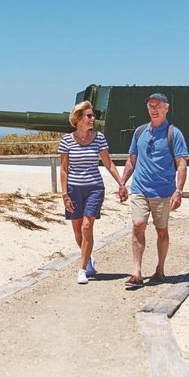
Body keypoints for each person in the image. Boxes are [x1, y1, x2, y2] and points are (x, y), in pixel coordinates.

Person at [120, 92, 188, 289]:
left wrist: (179, 191)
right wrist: (123, 182)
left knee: (161, 230)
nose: (153, 109)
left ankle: (160, 269)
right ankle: (137, 272)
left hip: (163, 192)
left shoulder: (174, 134)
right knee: (137, 224)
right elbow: (132, 159)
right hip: (140, 188)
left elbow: (181, 164)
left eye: (157, 105)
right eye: (150, 105)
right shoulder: (140, 132)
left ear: (166, 108)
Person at [59, 101, 129, 284]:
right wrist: (64, 194)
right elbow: (64, 170)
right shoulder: (67, 140)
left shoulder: (99, 138)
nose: (93, 119)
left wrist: (121, 183)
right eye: (89, 116)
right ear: (79, 118)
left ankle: (82, 270)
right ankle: (88, 259)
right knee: (77, 231)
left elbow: (108, 163)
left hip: (94, 188)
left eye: (93, 116)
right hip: (73, 189)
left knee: (87, 227)